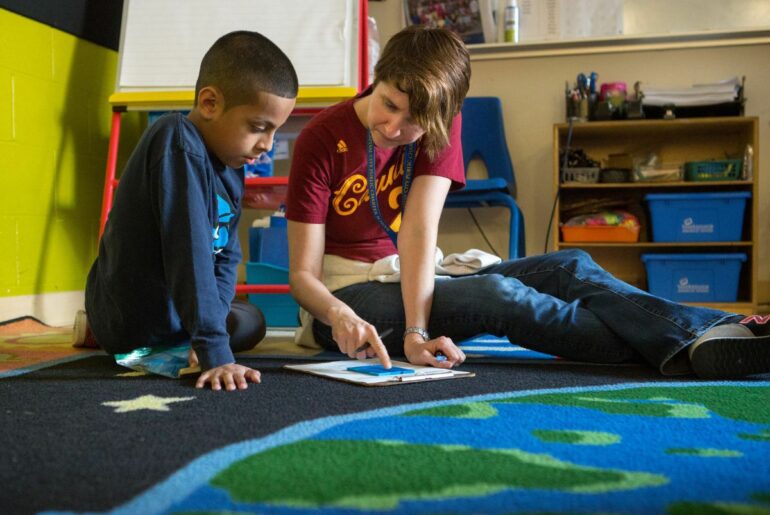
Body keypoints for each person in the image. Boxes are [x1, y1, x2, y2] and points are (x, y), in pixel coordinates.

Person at [284, 24, 770, 379]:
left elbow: (417, 231)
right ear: (377, 78)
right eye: (389, 105)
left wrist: (415, 327)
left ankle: (722, 330)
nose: (395, 129)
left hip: (409, 275)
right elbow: (303, 279)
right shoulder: (321, 139)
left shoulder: (437, 119)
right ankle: (687, 349)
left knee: (570, 266)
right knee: (498, 296)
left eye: (413, 122)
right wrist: (362, 321)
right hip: (345, 304)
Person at [79, 31, 297, 391]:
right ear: (210, 103)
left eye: (275, 132)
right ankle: (101, 327)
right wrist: (214, 350)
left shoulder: (231, 165)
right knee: (225, 329)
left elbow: (226, 254)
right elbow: (190, 249)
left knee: (252, 320)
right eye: (258, 128)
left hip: (181, 316)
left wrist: (211, 328)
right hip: (135, 316)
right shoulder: (175, 139)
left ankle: (192, 335)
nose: (267, 146)